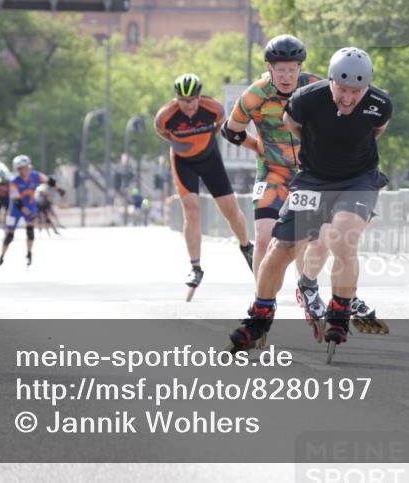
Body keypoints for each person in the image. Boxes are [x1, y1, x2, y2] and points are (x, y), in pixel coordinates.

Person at [228, 47, 392, 356]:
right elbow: (294, 126)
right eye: (341, 89)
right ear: (330, 80)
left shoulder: (380, 104)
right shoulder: (305, 99)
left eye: (356, 91)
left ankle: (340, 312)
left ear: (367, 87)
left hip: (358, 179)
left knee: (343, 239)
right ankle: (259, 317)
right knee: (280, 251)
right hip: (314, 178)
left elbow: (376, 131)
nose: (347, 98)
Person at [155, 73, 254, 299]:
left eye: (192, 101)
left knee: (230, 210)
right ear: (176, 98)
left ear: (200, 97)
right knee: (192, 211)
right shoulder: (165, 116)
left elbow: (219, 124)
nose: (188, 106)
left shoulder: (214, 109)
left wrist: (202, 141)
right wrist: (182, 145)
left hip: (210, 159)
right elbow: (162, 133)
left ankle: (246, 246)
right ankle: (196, 267)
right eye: (183, 101)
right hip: (183, 162)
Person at [0, 155, 65, 274]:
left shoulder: (36, 175)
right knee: (9, 236)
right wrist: (29, 214)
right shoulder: (14, 181)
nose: (22, 171)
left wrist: (59, 189)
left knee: (30, 231)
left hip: (30, 205)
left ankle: (29, 253)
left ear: (28, 167)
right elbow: (17, 202)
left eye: (24, 168)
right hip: (15, 209)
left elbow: (49, 181)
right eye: (19, 169)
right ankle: (1, 258)